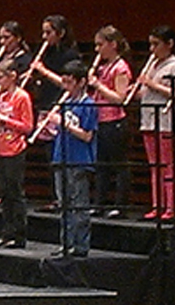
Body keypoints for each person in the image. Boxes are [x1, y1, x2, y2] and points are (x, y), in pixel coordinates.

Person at [45, 61, 98, 257]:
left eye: (69, 82)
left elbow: (87, 136)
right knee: (64, 205)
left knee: (79, 205)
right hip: (61, 157)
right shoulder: (65, 103)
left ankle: (81, 246)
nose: (65, 87)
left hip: (79, 159)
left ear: (81, 82)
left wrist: (64, 123)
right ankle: (66, 244)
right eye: (64, 82)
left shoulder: (89, 105)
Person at [86, 25, 134, 217]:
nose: (97, 50)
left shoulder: (121, 67)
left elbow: (120, 98)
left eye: (100, 45)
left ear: (113, 44)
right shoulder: (103, 67)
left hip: (115, 121)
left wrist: (97, 84)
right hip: (101, 120)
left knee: (119, 165)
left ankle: (121, 206)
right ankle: (99, 204)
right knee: (101, 166)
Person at [0, 62, 33, 247]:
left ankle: (19, 236)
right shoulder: (2, 96)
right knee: (4, 194)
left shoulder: (22, 97)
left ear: (12, 76)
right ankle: (7, 233)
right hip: (1, 147)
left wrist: (2, 118)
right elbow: (2, 124)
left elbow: (27, 127)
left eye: (0, 77)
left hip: (15, 149)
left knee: (15, 194)